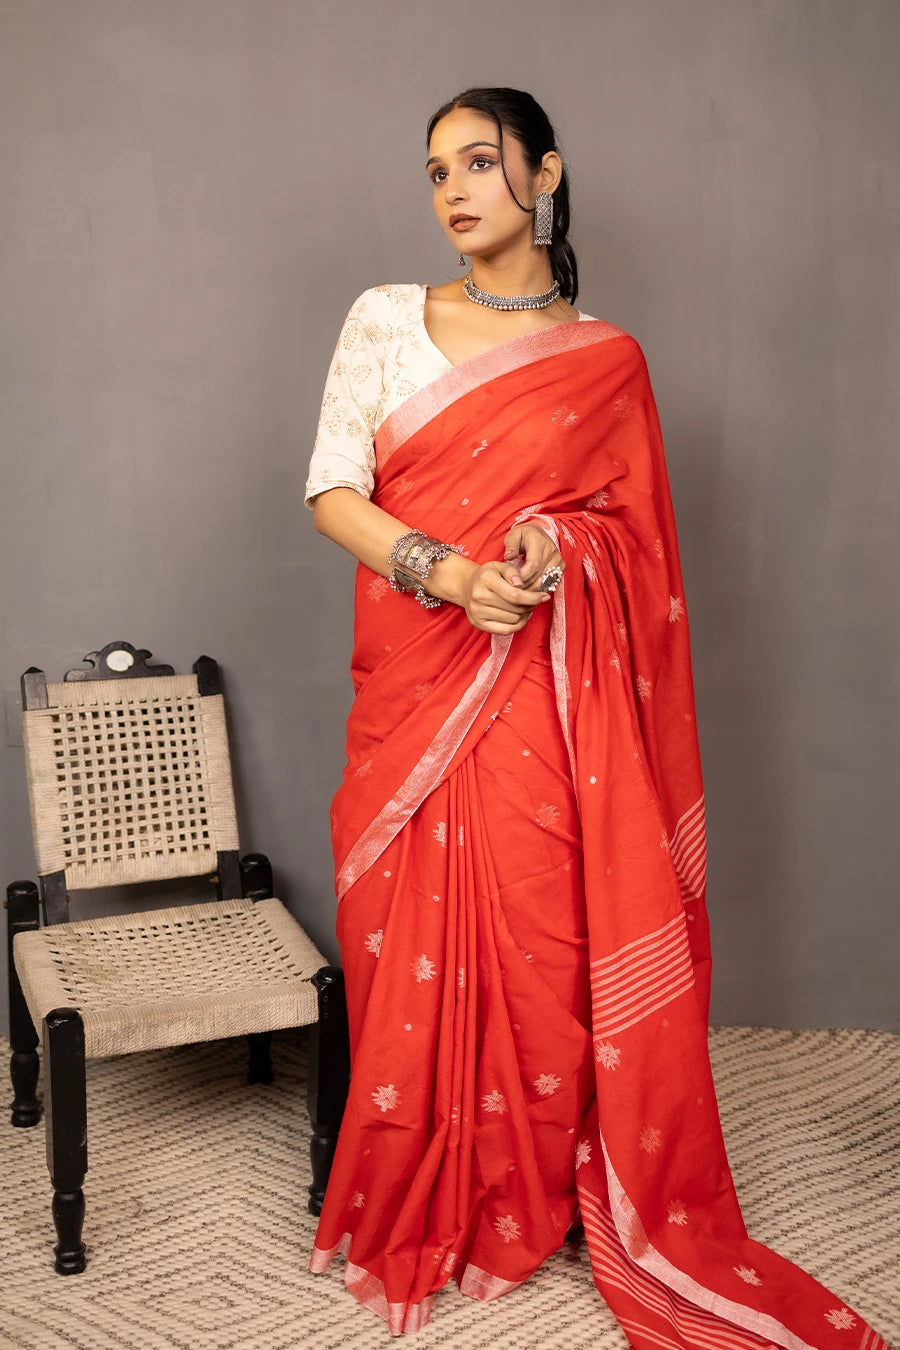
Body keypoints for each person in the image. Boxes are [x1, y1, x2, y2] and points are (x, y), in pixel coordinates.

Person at [304, 87, 887, 1347]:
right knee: (407, 927)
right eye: (436, 171)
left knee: (539, 934)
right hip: (417, 677)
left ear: (546, 174)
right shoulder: (385, 317)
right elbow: (333, 489)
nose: (454, 190)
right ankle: (428, 1174)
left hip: (539, 691)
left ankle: (530, 1180)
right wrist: (446, 572)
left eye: (479, 162)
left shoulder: (606, 359)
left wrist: (552, 547)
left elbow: (633, 542)